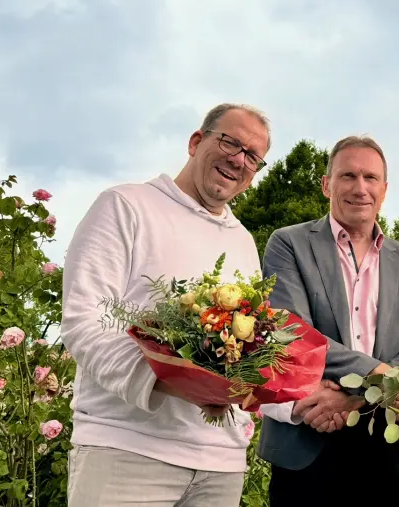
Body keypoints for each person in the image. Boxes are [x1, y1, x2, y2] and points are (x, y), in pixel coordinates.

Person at [60, 103, 272, 506]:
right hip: (126, 450)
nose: (238, 160)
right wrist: (169, 379)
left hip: (220, 463)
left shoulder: (243, 241)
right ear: (196, 141)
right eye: (230, 142)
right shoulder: (126, 206)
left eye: (252, 156)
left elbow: (250, 343)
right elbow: (86, 320)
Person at [256, 135, 399, 507]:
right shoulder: (288, 243)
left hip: (386, 445)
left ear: (384, 190)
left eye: (370, 178)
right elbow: (293, 332)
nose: (360, 188)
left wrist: (357, 400)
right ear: (326, 184)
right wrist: (381, 376)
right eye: (347, 175)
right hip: (307, 441)